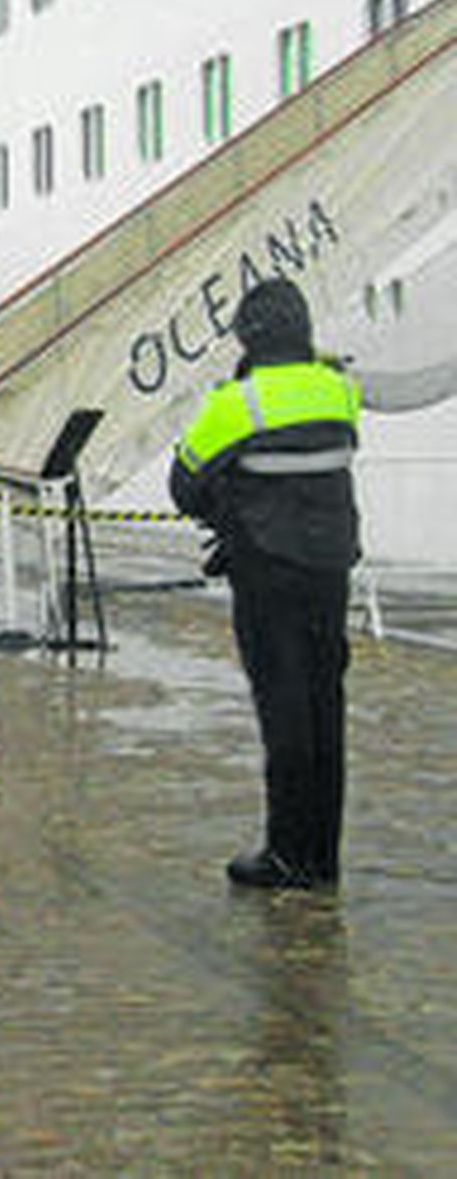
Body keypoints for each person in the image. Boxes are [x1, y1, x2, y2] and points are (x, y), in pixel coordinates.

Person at [169, 278, 362, 889]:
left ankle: (286, 855)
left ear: (248, 337)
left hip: (266, 572)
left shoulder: (237, 404)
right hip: (330, 569)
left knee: (284, 709)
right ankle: (323, 857)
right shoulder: (340, 392)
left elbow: (184, 484)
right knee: (325, 707)